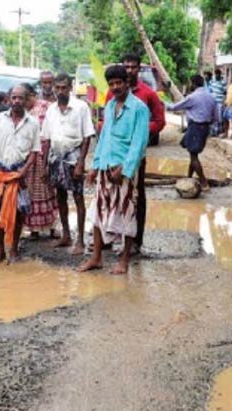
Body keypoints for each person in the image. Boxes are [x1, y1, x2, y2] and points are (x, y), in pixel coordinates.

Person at [78, 65, 149, 275]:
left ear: (127, 83)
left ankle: (124, 260)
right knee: (98, 212)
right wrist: (94, 166)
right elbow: (104, 139)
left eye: (119, 83)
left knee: (127, 213)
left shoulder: (139, 108)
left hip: (124, 172)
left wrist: (126, 169)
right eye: (112, 84)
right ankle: (96, 258)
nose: (115, 87)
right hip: (104, 168)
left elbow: (139, 143)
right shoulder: (109, 106)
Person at [103, 52, 165, 252]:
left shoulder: (148, 94)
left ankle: (135, 241)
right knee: (109, 195)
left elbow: (160, 120)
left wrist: (141, 131)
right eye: (126, 66)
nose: (129, 70)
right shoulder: (111, 94)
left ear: (139, 69)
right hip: (113, 155)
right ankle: (109, 236)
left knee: (136, 197)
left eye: (133, 67)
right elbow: (106, 120)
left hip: (135, 155)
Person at [0, 85, 41, 264]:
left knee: (19, 213)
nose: (16, 101)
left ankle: (14, 250)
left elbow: (35, 151)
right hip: (0, 173)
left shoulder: (33, 123)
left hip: (19, 175)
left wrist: (24, 170)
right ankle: (0, 251)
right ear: (9, 99)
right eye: (13, 97)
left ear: (26, 100)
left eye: (20, 98)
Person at [42, 72, 95, 255]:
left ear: (70, 87)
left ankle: (80, 239)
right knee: (60, 197)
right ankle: (66, 235)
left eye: (63, 87)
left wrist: (81, 163)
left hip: (74, 158)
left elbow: (87, 137)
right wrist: (44, 164)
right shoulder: (51, 110)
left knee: (78, 198)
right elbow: (47, 139)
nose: (60, 91)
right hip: (55, 158)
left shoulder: (81, 107)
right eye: (57, 88)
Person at [166, 74, 219, 191]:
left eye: (190, 83)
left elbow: (174, 107)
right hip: (205, 128)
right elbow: (216, 117)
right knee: (193, 154)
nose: (190, 85)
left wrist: (162, 103)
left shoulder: (192, 97)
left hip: (195, 127)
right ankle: (189, 177)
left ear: (194, 84)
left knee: (193, 156)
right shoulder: (212, 97)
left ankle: (204, 182)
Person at [21, 82, 58, 237]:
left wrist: (47, 161)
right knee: (29, 194)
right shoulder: (21, 112)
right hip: (27, 159)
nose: (20, 101)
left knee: (48, 192)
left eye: (23, 97)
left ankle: (52, 227)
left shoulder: (46, 107)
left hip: (44, 157)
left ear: (31, 95)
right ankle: (33, 229)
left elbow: (51, 134)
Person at [209, 69, 227, 136]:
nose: (216, 76)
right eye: (215, 74)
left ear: (220, 75)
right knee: (212, 117)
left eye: (218, 74)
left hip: (220, 102)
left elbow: (225, 92)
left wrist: (224, 102)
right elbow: (210, 91)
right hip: (213, 102)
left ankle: (218, 131)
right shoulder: (212, 81)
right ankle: (213, 131)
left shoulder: (223, 82)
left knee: (219, 117)